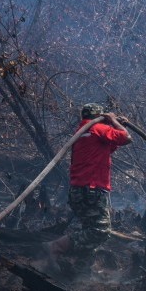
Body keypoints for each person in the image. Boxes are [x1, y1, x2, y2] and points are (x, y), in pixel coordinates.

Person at [44, 103, 132, 277]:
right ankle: (56, 247)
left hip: (79, 191)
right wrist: (114, 121)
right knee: (100, 231)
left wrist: (114, 124)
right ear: (99, 116)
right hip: (91, 190)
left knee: (90, 230)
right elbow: (126, 138)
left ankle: (81, 273)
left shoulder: (82, 132)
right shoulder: (97, 128)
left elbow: (111, 145)